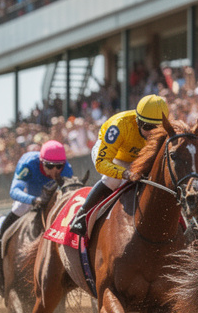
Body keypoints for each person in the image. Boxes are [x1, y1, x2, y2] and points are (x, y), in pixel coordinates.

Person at [70, 94, 169, 236]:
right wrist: (125, 173)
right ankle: (81, 215)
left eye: (157, 128)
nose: (152, 134)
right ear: (138, 121)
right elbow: (101, 163)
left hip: (138, 158)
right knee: (113, 180)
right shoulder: (119, 126)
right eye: (148, 127)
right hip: (113, 155)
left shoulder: (167, 129)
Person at [0, 141, 69, 258]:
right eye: (49, 166)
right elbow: (14, 191)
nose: (55, 170)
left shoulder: (67, 168)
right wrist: (33, 200)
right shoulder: (28, 163)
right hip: (30, 195)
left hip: (52, 196)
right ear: (41, 161)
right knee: (20, 207)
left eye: (59, 166)